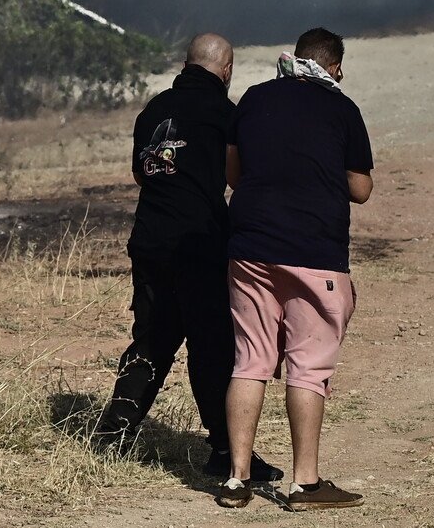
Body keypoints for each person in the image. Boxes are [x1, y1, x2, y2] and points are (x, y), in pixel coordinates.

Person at [96, 33, 282, 487]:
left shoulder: (155, 108)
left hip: (150, 240)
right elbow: (242, 176)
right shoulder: (226, 113)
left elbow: (142, 173)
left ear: (185, 64)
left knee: (153, 336)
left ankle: (111, 436)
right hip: (200, 243)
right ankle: (225, 451)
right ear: (227, 70)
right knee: (212, 344)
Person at [216, 27, 374, 511]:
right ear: (336, 66)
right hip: (315, 252)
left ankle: (236, 479)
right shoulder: (342, 108)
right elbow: (361, 189)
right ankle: (306, 484)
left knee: (250, 361)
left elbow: (233, 174)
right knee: (308, 368)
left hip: (249, 247)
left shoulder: (254, 98)